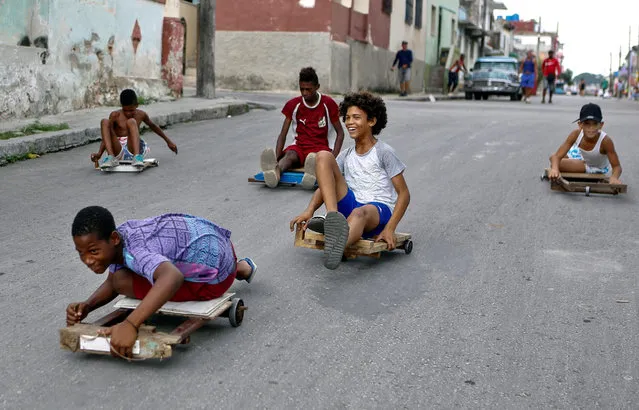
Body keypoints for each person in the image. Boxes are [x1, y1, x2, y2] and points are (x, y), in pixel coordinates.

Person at [67, 206, 257, 358]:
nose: (87, 260)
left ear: (114, 239)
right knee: (122, 277)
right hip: (221, 250)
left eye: (93, 251)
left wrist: (131, 324)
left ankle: (234, 270)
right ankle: (241, 267)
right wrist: (88, 305)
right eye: (81, 253)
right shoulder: (124, 233)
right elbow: (111, 280)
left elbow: (171, 278)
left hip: (215, 280)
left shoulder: (136, 252)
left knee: (123, 281)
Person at [289, 92, 410, 270]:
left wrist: (390, 229)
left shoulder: (384, 152)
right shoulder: (346, 155)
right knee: (323, 156)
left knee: (360, 213)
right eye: (347, 118)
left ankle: (339, 243)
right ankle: (333, 219)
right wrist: (309, 210)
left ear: (372, 121)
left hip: (376, 210)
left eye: (356, 117)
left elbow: (404, 194)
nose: (349, 122)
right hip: (351, 204)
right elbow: (326, 185)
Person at [260, 67, 344, 189]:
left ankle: (311, 174)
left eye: (308, 89)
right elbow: (282, 134)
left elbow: (340, 133)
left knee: (314, 157)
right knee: (289, 155)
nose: (304, 93)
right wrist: (277, 158)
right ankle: (275, 172)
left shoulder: (328, 104)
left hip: (320, 147)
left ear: (317, 87)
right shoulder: (294, 105)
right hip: (299, 146)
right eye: (302, 89)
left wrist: (333, 158)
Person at [92, 89, 178, 169]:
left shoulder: (141, 115)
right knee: (104, 122)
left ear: (137, 105)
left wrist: (168, 141)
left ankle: (137, 157)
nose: (128, 113)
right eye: (125, 110)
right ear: (122, 106)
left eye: (131, 110)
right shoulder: (115, 115)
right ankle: (111, 158)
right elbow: (107, 135)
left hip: (132, 148)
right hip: (117, 150)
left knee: (131, 121)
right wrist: (99, 153)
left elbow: (153, 126)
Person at [548, 103, 622, 185]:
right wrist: (555, 169)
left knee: (559, 164)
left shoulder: (606, 141)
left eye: (595, 124)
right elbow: (557, 156)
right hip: (583, 157)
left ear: (601, 125)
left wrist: (614, 177)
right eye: (587, 123)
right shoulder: (575, 134)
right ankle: (574, 163)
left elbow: (617, 167)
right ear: (580, 125)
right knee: (553, 158)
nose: (591, 128)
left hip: (596, 167)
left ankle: (577, 165)